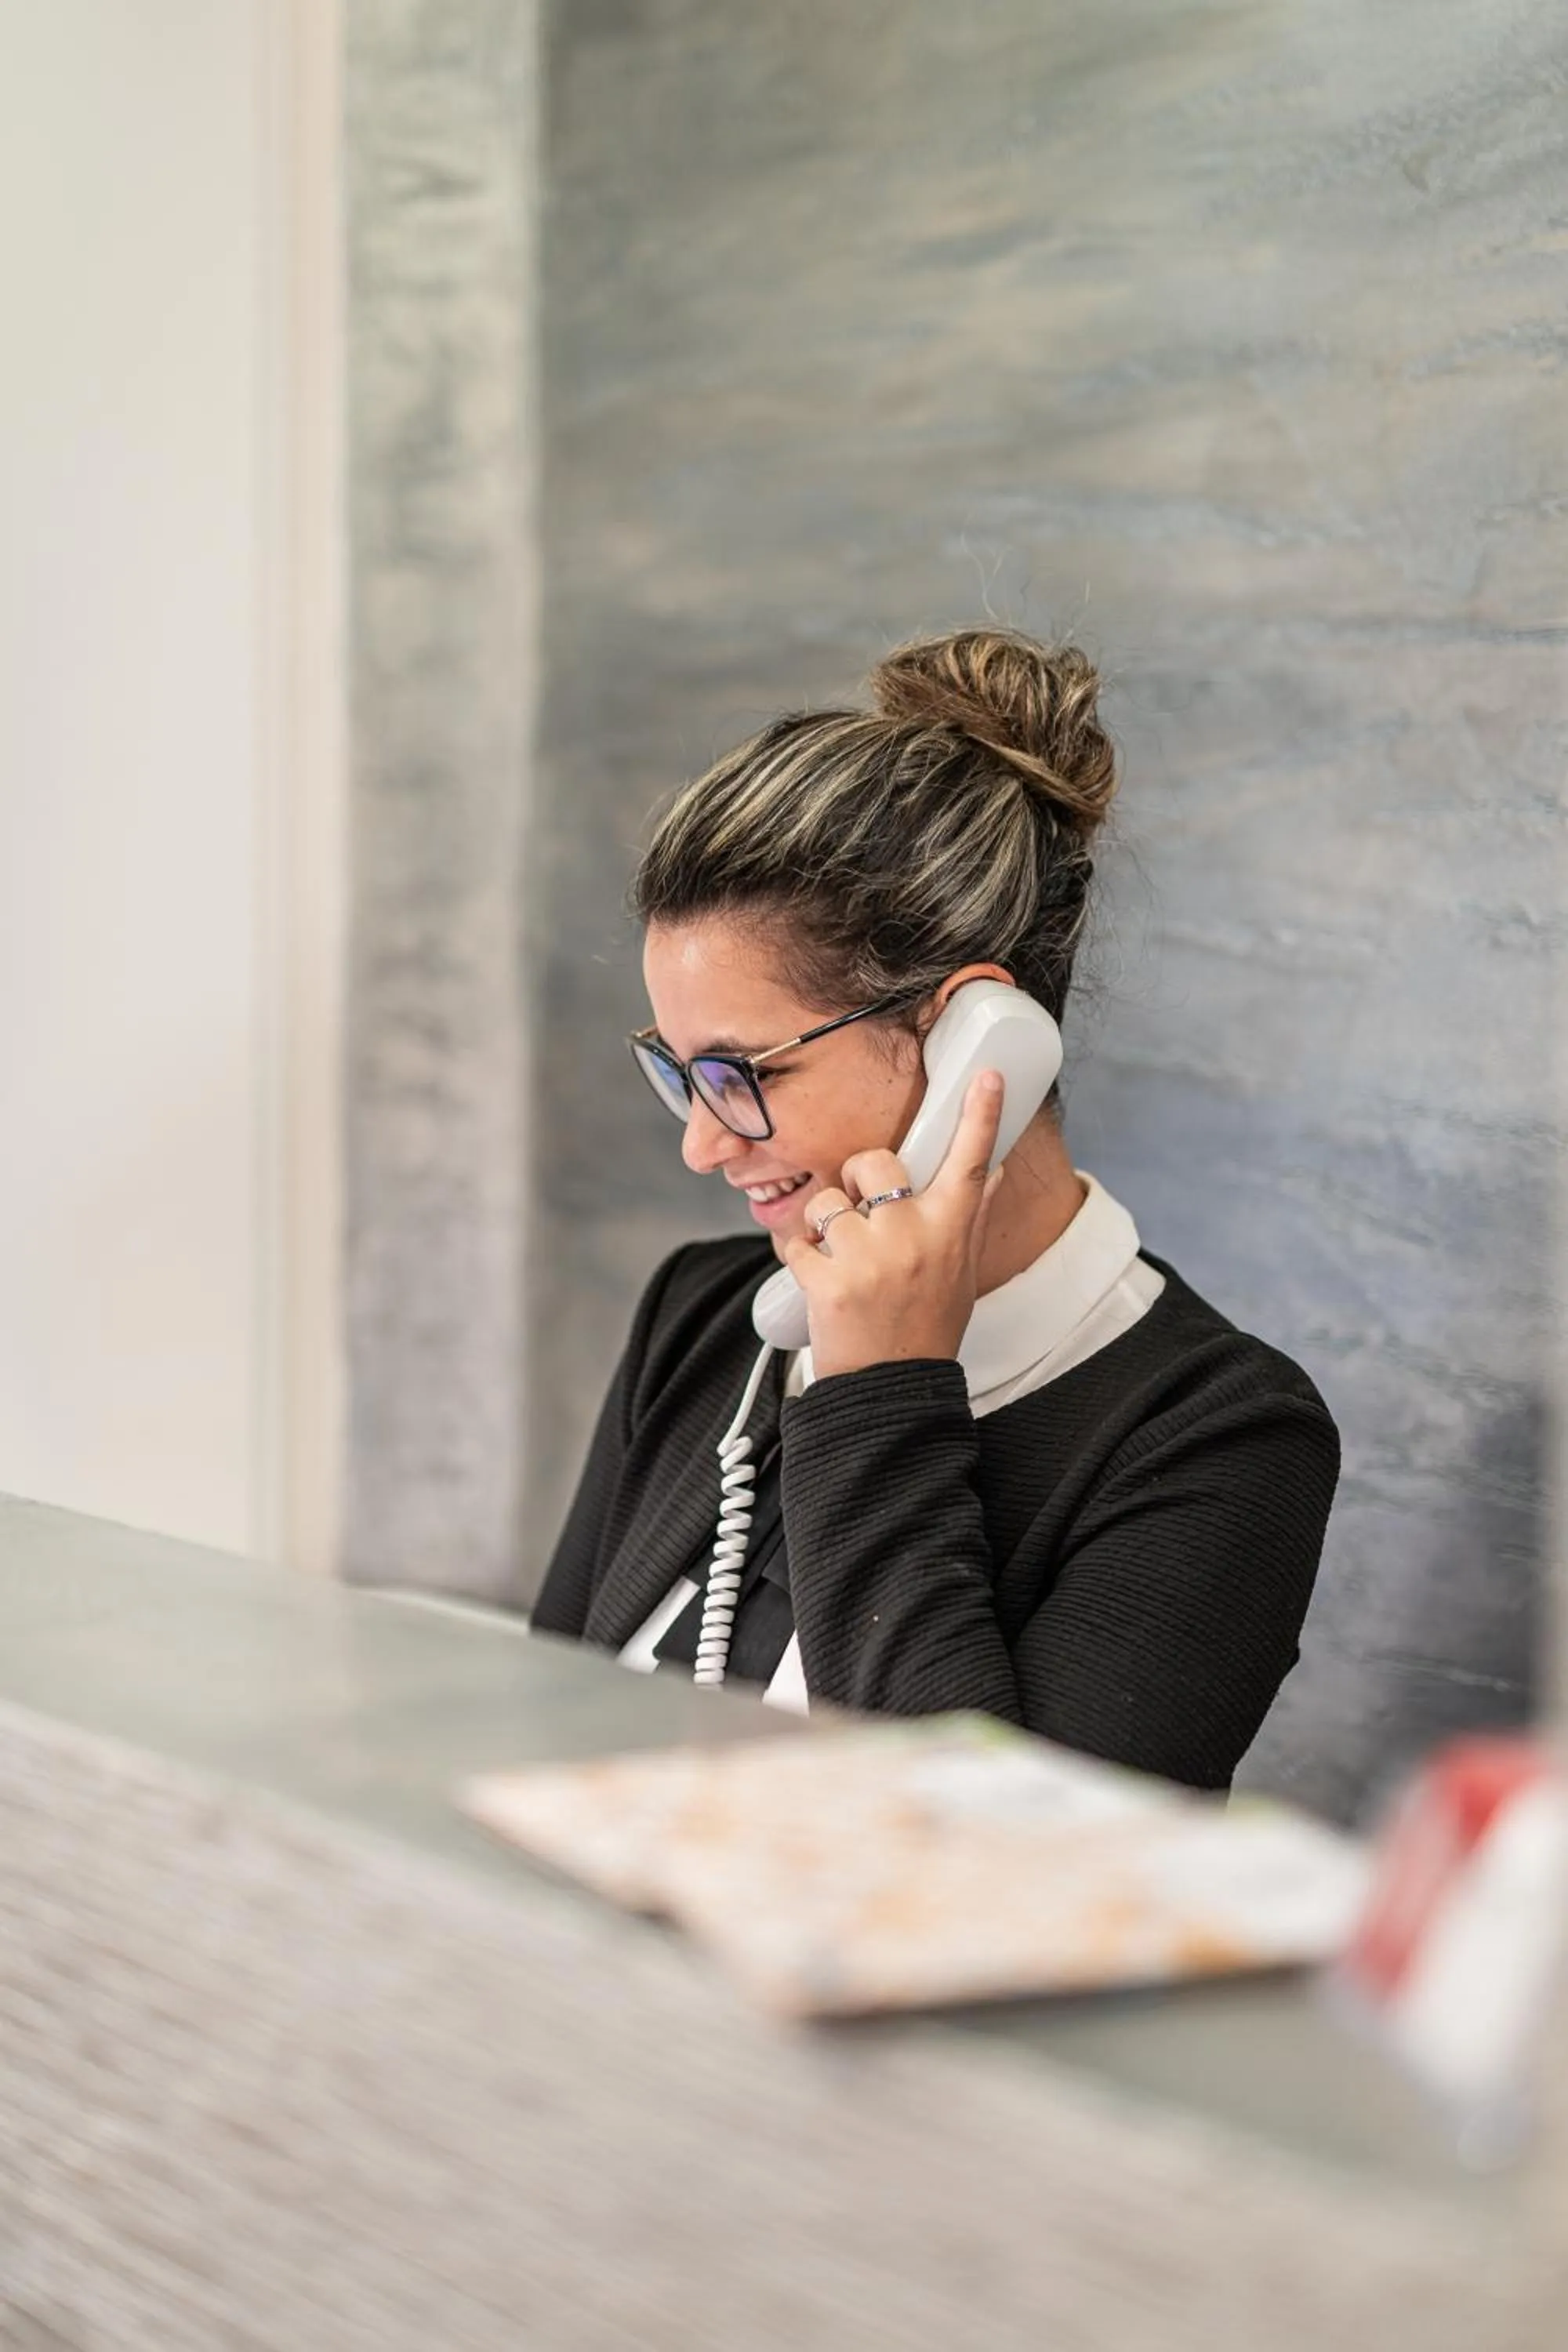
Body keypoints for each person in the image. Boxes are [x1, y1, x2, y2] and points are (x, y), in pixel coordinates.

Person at [531, 627, 1338, 1791]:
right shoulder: (705, 1318)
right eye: (680, 1071)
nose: (702, 1144)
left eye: (743, 1075)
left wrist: (879, 1396)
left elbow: (985, 1874)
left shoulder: (1220, 1440)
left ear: (970, 1036)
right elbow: (529, 1748)